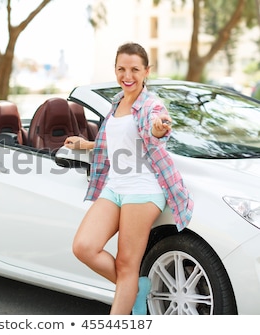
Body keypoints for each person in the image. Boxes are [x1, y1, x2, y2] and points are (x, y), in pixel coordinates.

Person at [64, 42, 193, 315]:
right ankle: (135, 288)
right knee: (84, 247)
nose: (128, 75)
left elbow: (155, 129)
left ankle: (124, 304)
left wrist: (159, 130)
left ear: (147, 71)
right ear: (115, 70)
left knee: (126, 264)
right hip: (115, 187)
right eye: (122, 68)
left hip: (143, 190)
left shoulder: (151, 105)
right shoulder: (116, 103)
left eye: (135, 69)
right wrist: (86, 145)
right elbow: (118, 141)